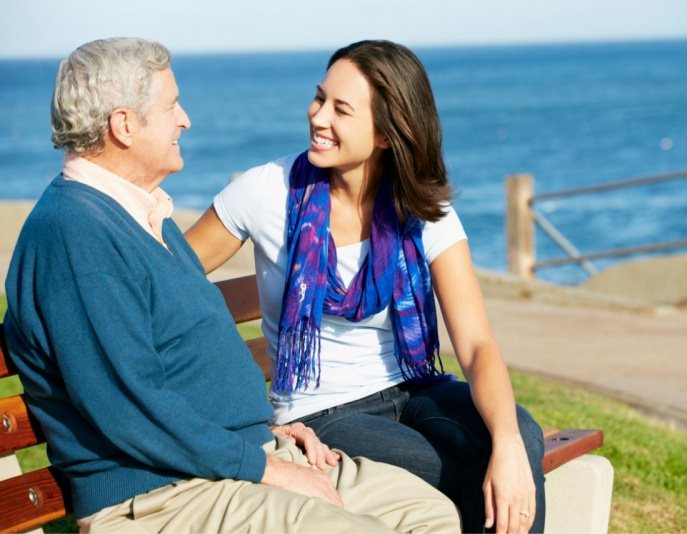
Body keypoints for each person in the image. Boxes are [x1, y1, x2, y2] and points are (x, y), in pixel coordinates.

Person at [2, 37, 461, 533]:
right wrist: (266, 466)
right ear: (124, 125)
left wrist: (264, 434)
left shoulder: (144, 215)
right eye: (171, 106)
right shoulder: (76, 234)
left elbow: (181, 370)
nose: (185, 120)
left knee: (427, 513)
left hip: (229, 461)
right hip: (160, 494)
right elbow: (131, 411)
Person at [186, 39, 546, 534]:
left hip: (413, 389)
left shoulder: (422, 210)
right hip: (324, 413)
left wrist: (508, 447)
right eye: (319, 98)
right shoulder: (266, 191)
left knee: (517, 434)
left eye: (341, 109)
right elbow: (167, 280)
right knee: (452, 464)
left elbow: (478, 345)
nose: (318, 117)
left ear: (385, 133)